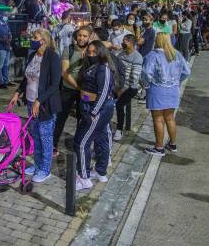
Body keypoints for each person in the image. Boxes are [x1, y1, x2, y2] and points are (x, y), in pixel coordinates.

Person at [10, 28, 61, 183]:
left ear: (43, 40)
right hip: (31, 102)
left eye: (35, 37)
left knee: (45, 137)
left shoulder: (52, 57)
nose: (32, 39)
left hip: (44, 104)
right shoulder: (33, 55)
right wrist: (17, 92)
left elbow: (55, 84)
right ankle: (38, 165)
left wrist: (39, 100)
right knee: (35, 136)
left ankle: (45, 170)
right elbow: (27, 78)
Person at [74, 40, 115, 190]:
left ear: (101, 52)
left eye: (94, 52)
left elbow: (103, 92)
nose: (91, 54)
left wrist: (93, 112)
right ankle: (100, 171)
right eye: (89, 51)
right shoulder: (93, 66)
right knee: (101, 136)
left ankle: (83, 178)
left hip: (97, 107)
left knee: (81, 142)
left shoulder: (103, 68)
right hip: (91, 106)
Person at [142, 33, 191, 156]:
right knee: (170, 118)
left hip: (157, 89)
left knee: (158, 119)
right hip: (173, 90)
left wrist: (145, 85)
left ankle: (159, 148)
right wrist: (176, 81)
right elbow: (186, 71)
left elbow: (146, 74)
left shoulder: (153, 55)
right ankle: (172, 144)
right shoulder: (176, 54)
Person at [53, 26, 92, 155]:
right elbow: (65, 72)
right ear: (76, 36)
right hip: (69, 89)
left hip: (85, 91)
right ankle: (54, 144)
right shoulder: (68, 49)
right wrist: (78, 88)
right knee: (60, 117)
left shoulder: (92, 50)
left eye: (85, 36)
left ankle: (79, 144)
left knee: (83, 118)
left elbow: (107, 44)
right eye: (80, 35)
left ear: (89, 37)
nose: (81, 38)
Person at [114, 34, 143, 141]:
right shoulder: (121, 54)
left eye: (125, 41)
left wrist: (121, 89)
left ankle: (119, 129)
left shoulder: (137, 57)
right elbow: (116, 70)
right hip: (119, 85)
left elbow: (134, 77)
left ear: (131, 43)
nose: (122, 43)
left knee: (119, 105)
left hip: (130, 87)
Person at [0, 14, 12, 89]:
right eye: (5, 15)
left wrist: (10, 38)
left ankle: (6, 81)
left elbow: (10, 33)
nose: (6, 16)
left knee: (6, 65)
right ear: (1, 16)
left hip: (7, 47)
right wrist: (2, 40)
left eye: (7, 15)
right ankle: (0, 82)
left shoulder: (6, 24)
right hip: (0, 48)